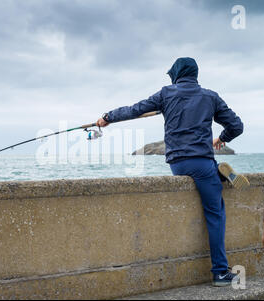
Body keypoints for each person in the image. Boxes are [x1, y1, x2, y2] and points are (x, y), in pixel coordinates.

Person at [96, 57, 249, 286]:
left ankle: (217, 173)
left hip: (177, 163)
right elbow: (236, 125)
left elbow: (135, 110)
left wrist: (108, 117)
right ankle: (220, 272)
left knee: (206, 176)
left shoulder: (166, 94)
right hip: (201, 161)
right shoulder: (210, 96)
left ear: (176, 74)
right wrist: (222, 139)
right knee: (215, 213)